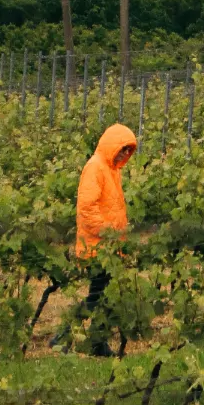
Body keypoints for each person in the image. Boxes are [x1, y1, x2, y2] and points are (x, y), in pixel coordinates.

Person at [73, 122, 137, 355]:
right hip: (97, 247)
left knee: (103, 296)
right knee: (98, 296)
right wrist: (109, 232)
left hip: (110, 247)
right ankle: (66, 335)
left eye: (129, 151)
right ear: (112, 145)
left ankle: (96, 342)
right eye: (123, 149)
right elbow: (87, 210)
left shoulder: (112, 169)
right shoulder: (95, 167)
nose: (125, 154)